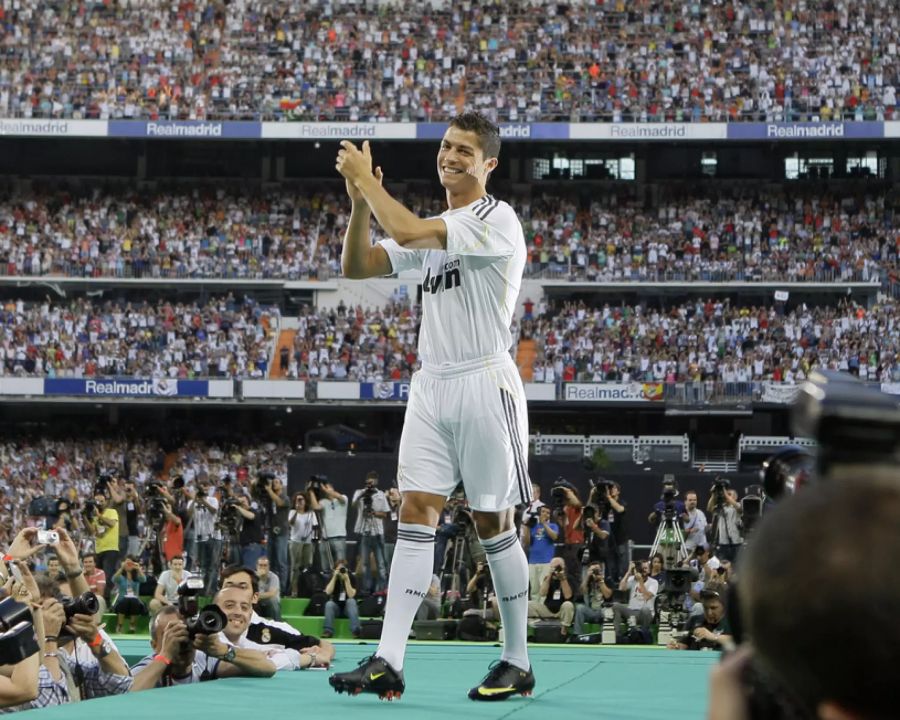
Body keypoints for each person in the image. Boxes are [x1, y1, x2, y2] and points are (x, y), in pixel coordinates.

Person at [331, 111, 534, 701]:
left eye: (465, 150)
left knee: (493, 522)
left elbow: (415, 233)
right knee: (416, 512)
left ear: (488, 163)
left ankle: (517, 659)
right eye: (447, 145)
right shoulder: (438, 223)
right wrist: (359, 203)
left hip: (484, 382)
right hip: (432, 384)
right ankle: (388, 660)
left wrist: (369, 181)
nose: (450, 156)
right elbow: (359, 267)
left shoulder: (495, 219)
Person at [130, 605, 276, 690]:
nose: (182, 640)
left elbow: (268, 667)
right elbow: (126, 693)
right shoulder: (148, 666)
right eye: (171, 634)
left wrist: (223, 651)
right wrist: (165, 656)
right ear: (154, 645)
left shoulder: (203, 660)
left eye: (187, 631)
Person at [218, 565, 335, 668]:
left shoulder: (276, 630)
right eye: (229, 587)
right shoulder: (207, 628)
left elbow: (323, 646)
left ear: (255, 597)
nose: (235, 593)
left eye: (242, 587)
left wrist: (320, 655)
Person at [351, 471, 391, 594]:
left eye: (373, 480)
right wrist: (364, 494)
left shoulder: (380, 495)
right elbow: (353, 505)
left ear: (376, 482)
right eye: (369, 480)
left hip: (377, 532)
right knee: (365, 564)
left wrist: (374, 513)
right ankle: (366, 589)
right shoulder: (359, 493)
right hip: (364, 532)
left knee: (380, 563)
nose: (371, 483)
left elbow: (385, 514)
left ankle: (382, 589)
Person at [527, 557, 575, 635]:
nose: (556, 569)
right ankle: (537, 625)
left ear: (564, 567)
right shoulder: (548, 579)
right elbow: (542, 593)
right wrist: (549, 575)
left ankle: (564, 629)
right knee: (529, 604)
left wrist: (562, 579)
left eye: (558, 567)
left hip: (561, 611)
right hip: (548, 609)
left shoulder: (569, 578)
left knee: (568, 605)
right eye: (554, 567)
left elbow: (568, 596)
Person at [520, 505, 558, 602]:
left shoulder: (553, 526)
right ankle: (535, 611)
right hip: (533, 561)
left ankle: (543, 611)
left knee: (544, 588)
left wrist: (544, 524)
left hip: (546, 561)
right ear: (539, 514)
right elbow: (527, 542)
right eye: (543, 512)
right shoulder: (533, 527)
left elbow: (554, 537)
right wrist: (526, 526)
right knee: (534, 589)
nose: (545, 514)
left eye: (548, 512)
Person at [613, 560, 658, 640]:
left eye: (645, 568)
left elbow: (646, 596)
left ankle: (644, 636)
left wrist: (640, 581)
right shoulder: (632, 579)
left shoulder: (653, 582)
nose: (643, 570)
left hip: (645, 613)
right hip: (631, 612)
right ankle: (617, 636)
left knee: (645, 610)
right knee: (616, 606)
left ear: (649, 570)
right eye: (642, 568)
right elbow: (621, 588)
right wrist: (628, 572)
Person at [307, 479, 348, 568]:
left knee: (341, 568)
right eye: (324, 488)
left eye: (327, 487)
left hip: (339, 537)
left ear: (333, 488)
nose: (325, 489)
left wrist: (326, 489)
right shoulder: (323, 502)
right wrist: (311, 492)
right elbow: (316, 507)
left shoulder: (343, 498)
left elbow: (340, 498)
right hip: (325, 539)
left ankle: (340, 582)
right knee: (325, 568)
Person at [321, 559, 361, 640]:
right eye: (338, 569)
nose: (340, 571)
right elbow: (328, 592)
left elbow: (351, 595)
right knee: (329, 604)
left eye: (342, 569)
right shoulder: (332, 577)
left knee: (351, 601)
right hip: (336, 608)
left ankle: (356, 631)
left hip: (348, 608)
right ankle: (327, 631)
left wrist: (346, 580)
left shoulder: (352, 577)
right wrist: (334, 577)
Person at [288, 492, 316, 597]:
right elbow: (291, 523)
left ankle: (306, 589)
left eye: (301, 499)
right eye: (297, 500)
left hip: (307, 542)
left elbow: (315, 526)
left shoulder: (310, 514)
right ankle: (294, 590)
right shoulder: (292, 512)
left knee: (306, 565)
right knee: (295, 566)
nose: (300, 502)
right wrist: (297, 510)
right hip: (295, 542)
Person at [111, 555, 147, 633]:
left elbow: (144, 580)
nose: (129, 565)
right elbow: (114, 579)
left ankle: (132, 624)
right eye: (127, 563)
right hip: (122, 602)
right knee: (125, 600)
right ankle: (120, 625)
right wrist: (122, 568)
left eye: (131, 563)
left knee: (133, 600)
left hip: (134, 602)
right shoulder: (121, 577)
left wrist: (138, 569)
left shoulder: (137, 577)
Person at [255, 557, 281, 621]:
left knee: (273, 600)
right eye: (260, 565)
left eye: (265, 565)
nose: (263, 567)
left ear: (269, 567)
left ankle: (277, 624)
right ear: (256, 566)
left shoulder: (274, 577)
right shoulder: (253, 577)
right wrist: (257, 578)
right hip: (258, 604)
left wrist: (256, 596)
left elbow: (271, 594)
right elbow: (249, 592)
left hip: (269, 605)